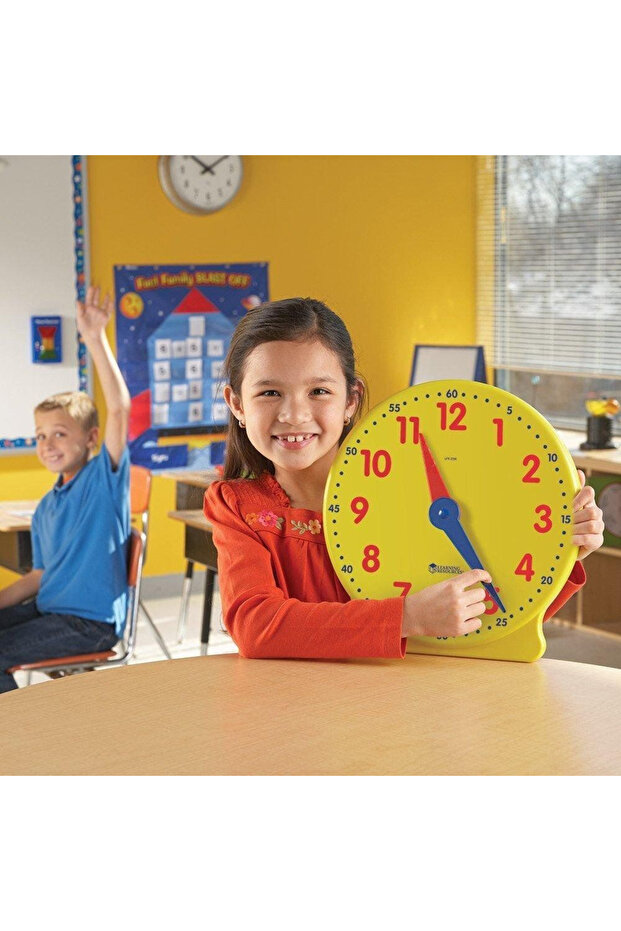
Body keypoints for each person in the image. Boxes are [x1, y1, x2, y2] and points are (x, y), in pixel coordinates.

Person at [204, 297, 605, 660]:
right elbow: (256, 626)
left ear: (351, 400)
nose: (294, 415)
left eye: (319, 391)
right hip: (300, 707)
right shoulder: (237, 507)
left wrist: (564, 553)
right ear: (236, 404)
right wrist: (408, 617)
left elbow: (485, 625)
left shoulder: (410, 494)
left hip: (413, 700)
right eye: (270, 393)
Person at [0, 286, 131, 692]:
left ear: (91, 438)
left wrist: (95, 339)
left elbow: (119, 409)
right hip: (49, 610)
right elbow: (38, 576)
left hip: (88, 624)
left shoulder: (102, 480)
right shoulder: (46, 507)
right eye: (41, 436)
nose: (47, 444)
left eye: (59, 433)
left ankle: (15, 731)